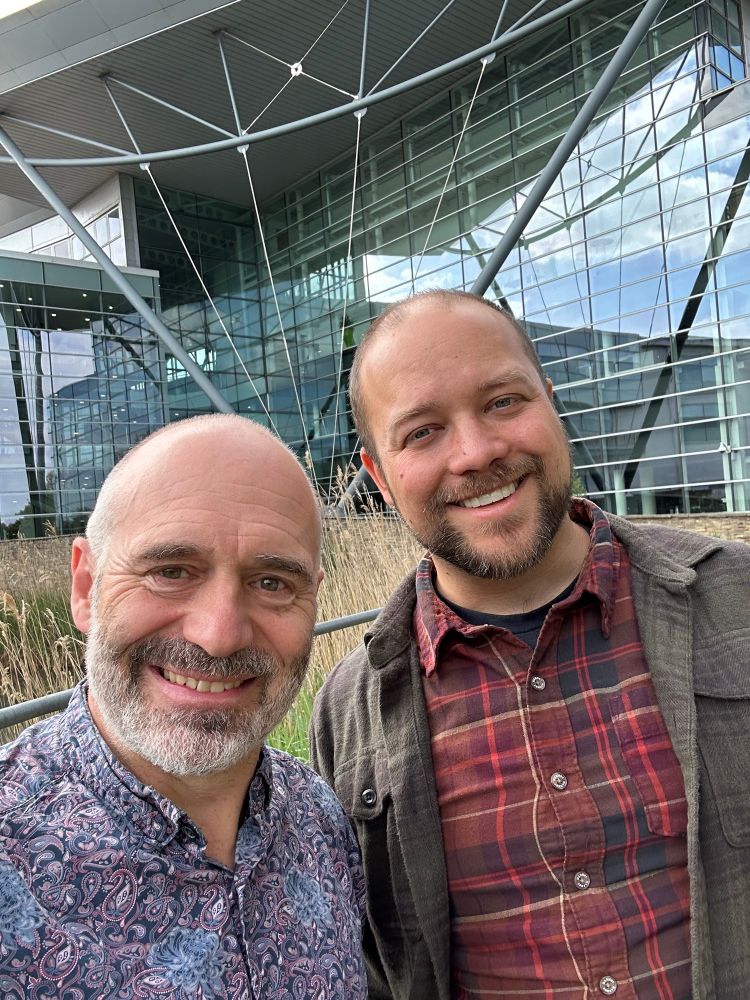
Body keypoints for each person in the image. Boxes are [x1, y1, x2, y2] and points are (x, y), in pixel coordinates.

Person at [309, 290, 750, 1000]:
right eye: (422, 432)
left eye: (504, 402)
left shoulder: (739, 600)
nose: (478, 451)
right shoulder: (347, 716)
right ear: (381, 478)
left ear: (550, 403)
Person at [0, 414, 366, 999]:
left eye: (272, 583)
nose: (219, 635)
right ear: (85, 587)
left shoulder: (321, 817)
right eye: (170, 572)